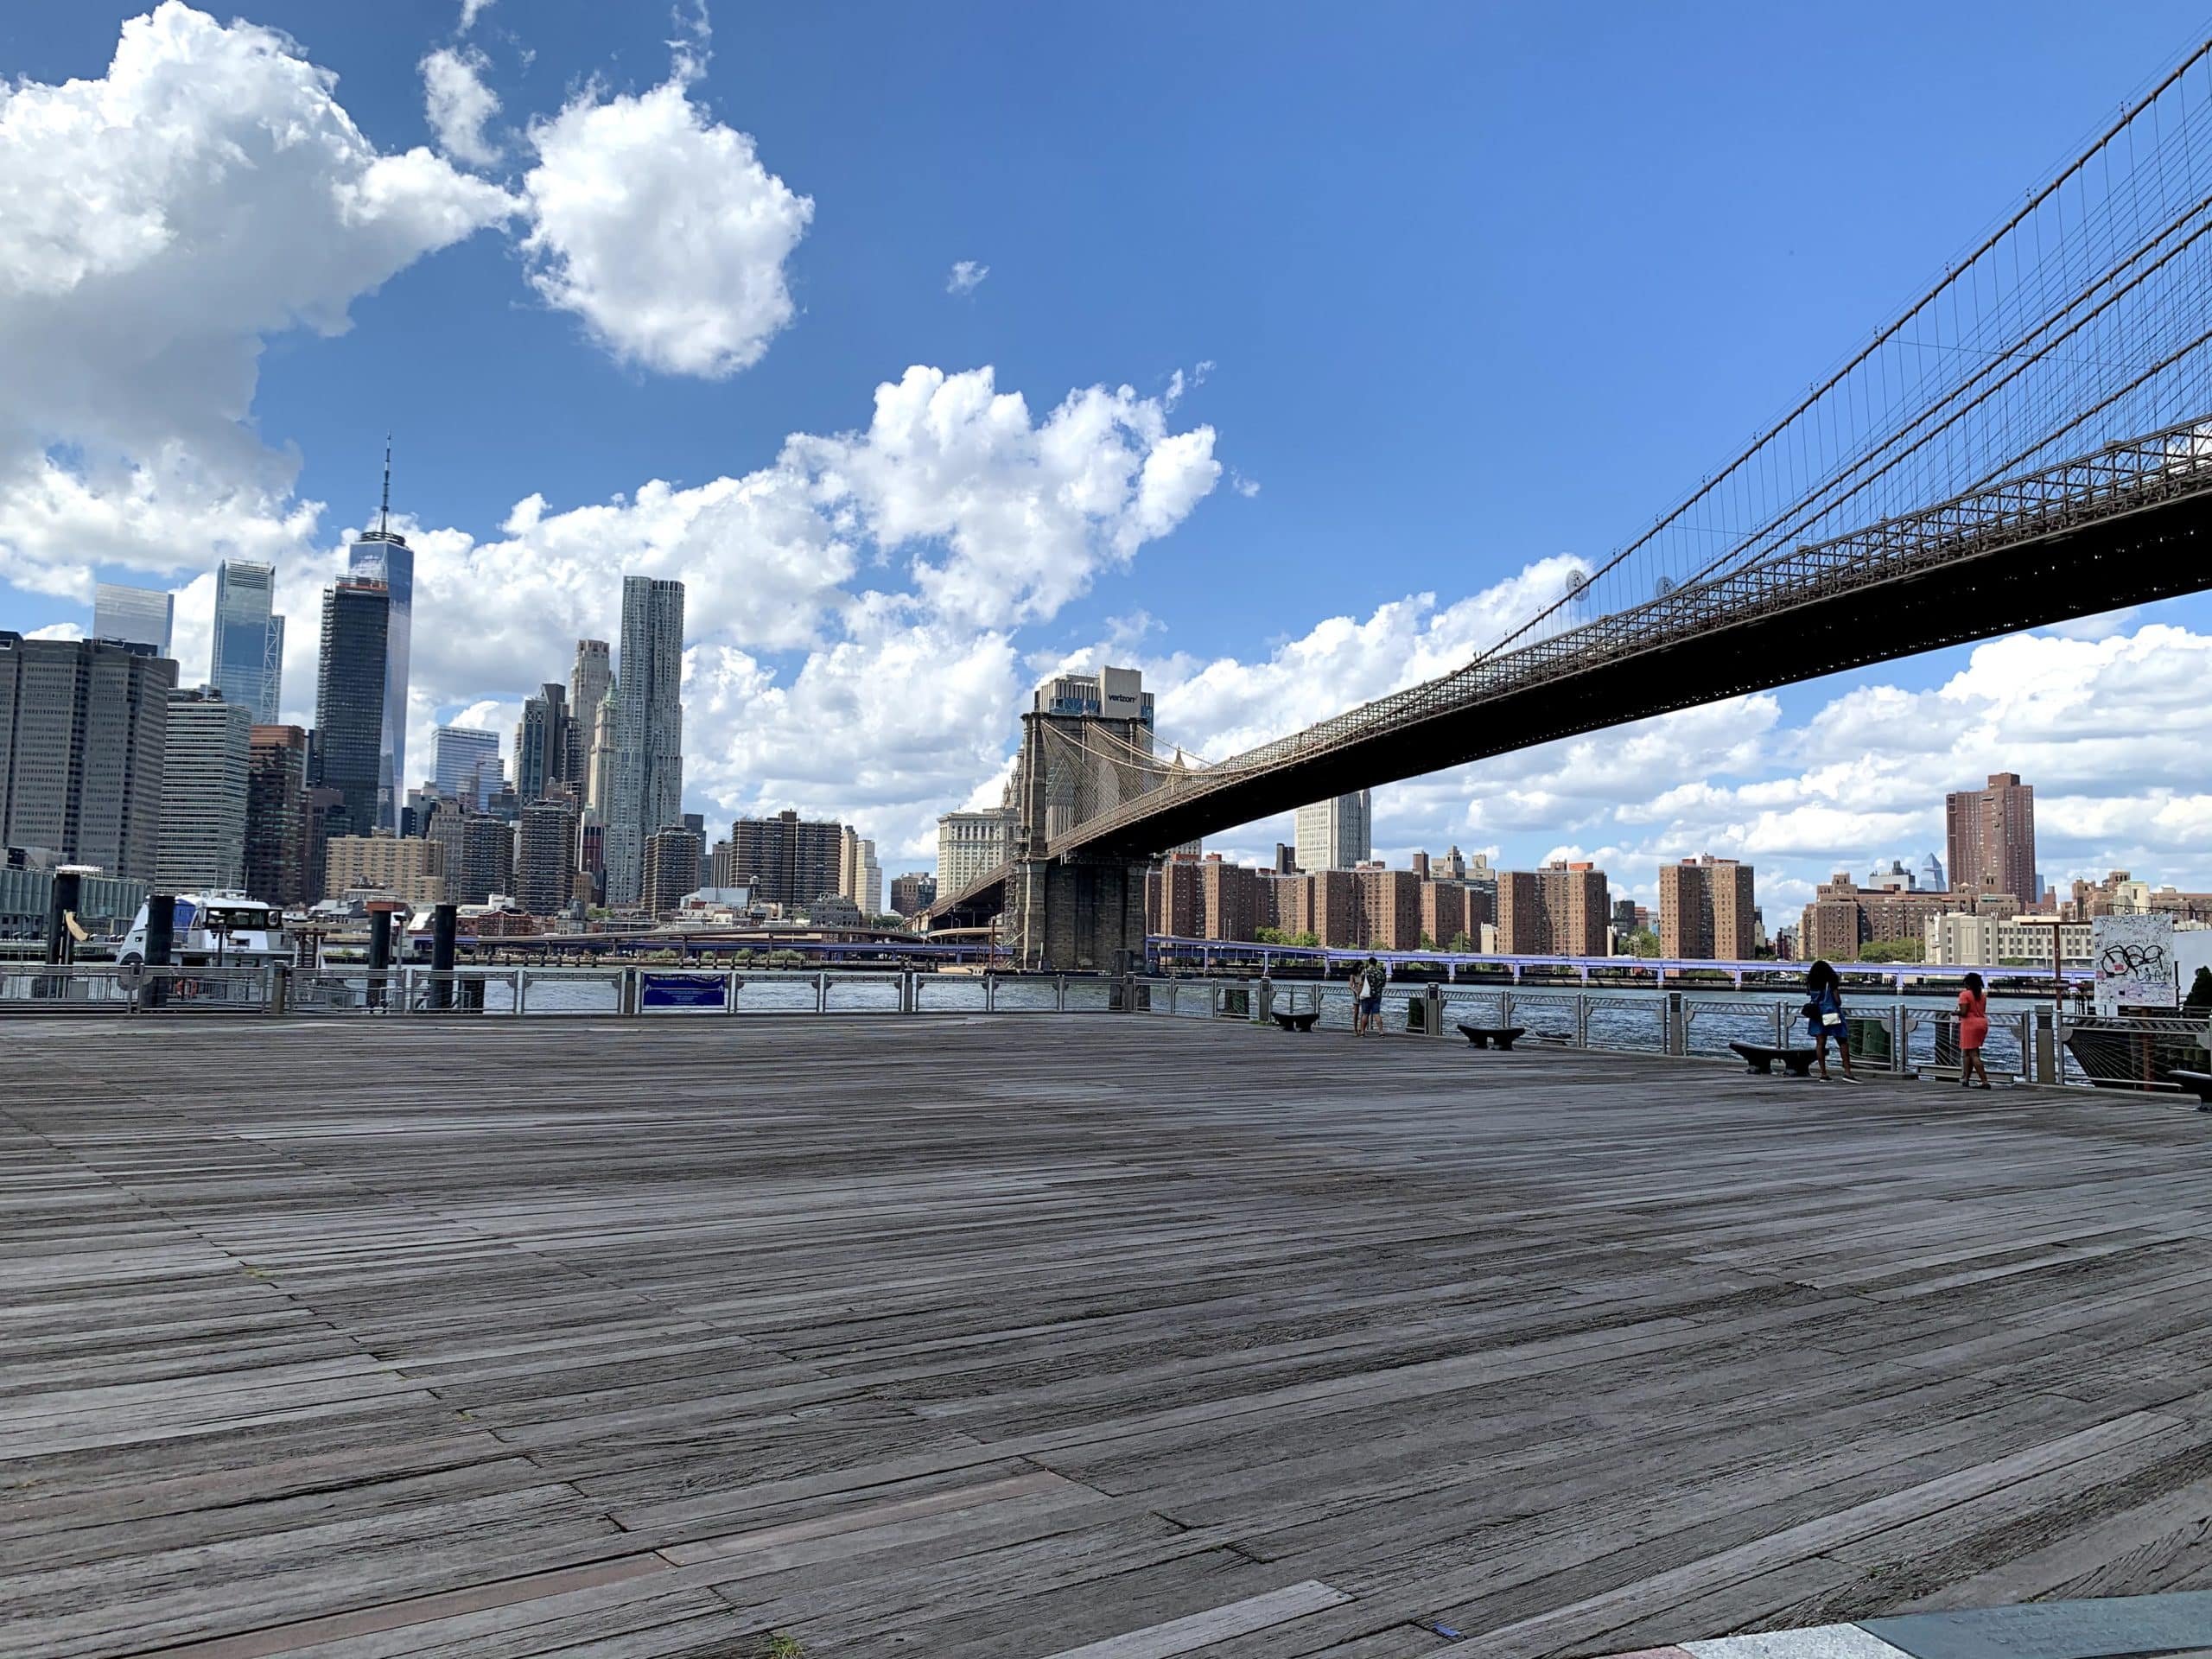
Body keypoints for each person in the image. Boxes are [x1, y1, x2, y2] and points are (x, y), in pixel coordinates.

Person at [1804, 959, 1855, 1082]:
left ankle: (1823, 1073)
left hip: (1817, 1014)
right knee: (1842, 1041)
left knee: (1820, 1043)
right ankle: (1847, 1072)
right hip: (1831, 1014)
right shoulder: (1831, 981)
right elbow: (1838, 1000)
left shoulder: (1811, 983)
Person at [1957, 970, 1991, 1090]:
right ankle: (1966, 1078)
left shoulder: (1964, 995)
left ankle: (1984, 1081)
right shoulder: (1982, 996)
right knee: (1967, 1052)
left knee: (1973, 1054)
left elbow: (1964, 1012)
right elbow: (1982, 1011)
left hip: (1969, 1024)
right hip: (1981, 1023)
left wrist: (1956, 1012)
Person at [1361, 956, 1388, 1036]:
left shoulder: (1365, 972)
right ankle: (1381, 1031)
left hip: (1366, 995)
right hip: (1377, 996)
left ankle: (1362, 1031)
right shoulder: (1380, 973)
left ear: (1369, 963)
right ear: (1376, 964)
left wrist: (1358, 993)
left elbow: (1361, 983)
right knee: (1376, 1013)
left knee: (1365, 1014)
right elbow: (1383, 985)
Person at [1347, 958, 1370, 1035]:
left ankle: (1362, 1029)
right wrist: (1355, 991)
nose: (1361, 969)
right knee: (1356, 1012)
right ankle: (1355, 1029)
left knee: (1364, 1012)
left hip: (1363, 993)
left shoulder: (1363, 975)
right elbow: (1350, 985)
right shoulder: (1353, 975)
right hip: (1355, 993)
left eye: (1362, 967)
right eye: (1360, 967)